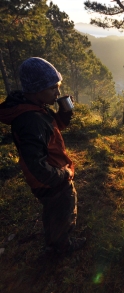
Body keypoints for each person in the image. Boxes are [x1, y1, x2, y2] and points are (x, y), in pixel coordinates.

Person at [0, 57, 86, 254]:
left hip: (50, 179)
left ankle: (55, 240)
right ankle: (61, 247)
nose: (57, 92)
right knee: (62, 212)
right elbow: (36, 165)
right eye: (52, 88)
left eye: (57, 86)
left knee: (53, 212)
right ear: (36, 90)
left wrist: (64, 113)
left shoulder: (36, 110)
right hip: (52, 182)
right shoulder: (32, 121)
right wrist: (62, 176)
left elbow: (53, 129)